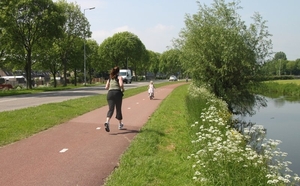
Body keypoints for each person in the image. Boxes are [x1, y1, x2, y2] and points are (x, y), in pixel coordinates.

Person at [104, 66, 125, 132]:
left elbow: (106, 87)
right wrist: (122, 89)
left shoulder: (110, 78)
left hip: (110, 94)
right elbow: (121, 85)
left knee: (111, 109)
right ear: (118, 71)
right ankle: (119, 124)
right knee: (118, 109)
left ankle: (107, 121)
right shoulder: (119, 77)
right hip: (117, 93)